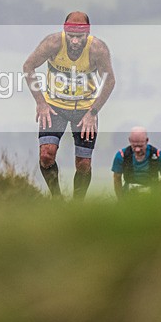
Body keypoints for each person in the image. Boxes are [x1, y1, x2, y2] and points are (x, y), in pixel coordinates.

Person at [22, 11, 115, 200]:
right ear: (65, 32)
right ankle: (57, 198)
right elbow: (28, 67)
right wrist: (40, 103)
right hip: (54, 107)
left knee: (83, 164)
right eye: (71, 36)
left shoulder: (98, 49)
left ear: (87, 34)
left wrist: (93, 112)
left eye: (79, 37)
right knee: (46, 156)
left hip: (85, 110)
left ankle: (77, 204)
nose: (74, 42)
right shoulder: (53, 43)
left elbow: (110, 81)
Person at [112, 126, 161, 200]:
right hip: (129, 195)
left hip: (152, 194)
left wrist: (158, 195)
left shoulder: (158, 155)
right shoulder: (121, 156)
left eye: (140, 146)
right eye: (134, 146)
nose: (137, 149)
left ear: (147, 140)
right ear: (129, 140)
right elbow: (117, 178)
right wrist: (121, 200)